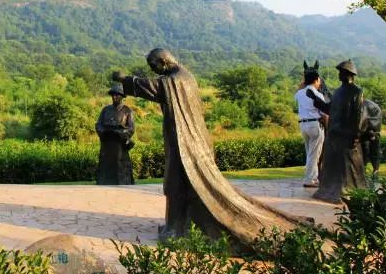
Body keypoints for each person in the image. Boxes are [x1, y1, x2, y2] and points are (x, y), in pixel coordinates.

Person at [113, 48, 308, 245]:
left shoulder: (178, 79)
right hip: (181, 139)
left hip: (186, 143)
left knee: (175, 184)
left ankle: (176, 229)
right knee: (175, 184)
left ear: (163, 61)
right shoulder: (182, 76)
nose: (154, 70)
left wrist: (127, 80)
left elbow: (157, 87)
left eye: (154, 66)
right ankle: (175, 225)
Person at [310, 60, 367, 204]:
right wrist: (316, 100)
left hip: (346, 136)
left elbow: (358, 115)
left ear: (349, 74)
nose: (339, 74)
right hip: (334, 135)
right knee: (331, 165)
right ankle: (328, 190)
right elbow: (329, 109)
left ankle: (346, 191)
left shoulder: (356, 92)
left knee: (347, 168)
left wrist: (356, 134)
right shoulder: (337, 92)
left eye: (341, 72)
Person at [95, 84, 135, 185]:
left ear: (122, 96)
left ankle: (123, 182)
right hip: (107, 144)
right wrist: (103, 131)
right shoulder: (105, 110)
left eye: (117, 95)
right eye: (113, 95)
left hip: (120, 145)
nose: (114, 97)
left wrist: (120, 132)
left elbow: (131, 128)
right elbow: (98, 124)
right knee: (106, 166)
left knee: (120, 166)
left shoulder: (127, 111)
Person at [294, 71, 326, 188]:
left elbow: (299, 88)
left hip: (303, 125)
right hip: (315, 125)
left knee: (309, 153)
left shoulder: (299, 93)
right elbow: (324, 114)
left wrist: (305, 82)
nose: (320, 82)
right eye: (319, 80)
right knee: (314, 154)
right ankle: (310, 180)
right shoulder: (318, 95)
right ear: (316, 80)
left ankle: (311, 177)